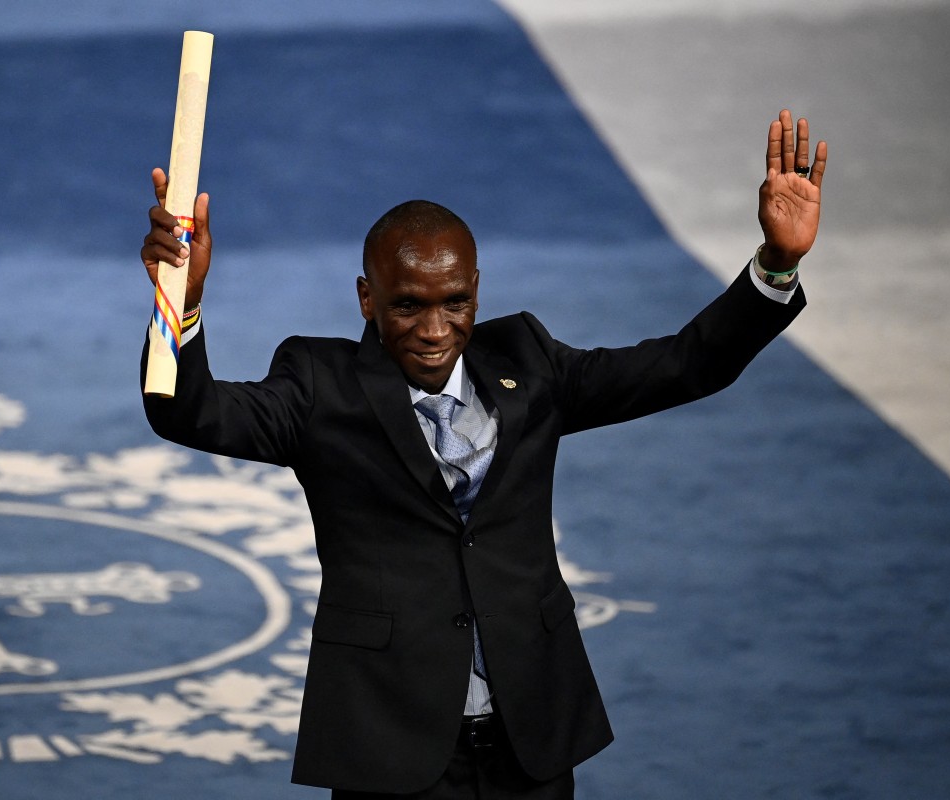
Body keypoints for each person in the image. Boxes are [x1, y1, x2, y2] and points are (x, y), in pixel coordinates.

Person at [140, 110, 827, 799]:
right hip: (392, 745)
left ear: (477, 291)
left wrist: (776, 264)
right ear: (365, 299)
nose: (435, 331)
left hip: (529, 739)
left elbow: (685, 365)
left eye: (455, 302)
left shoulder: (528, 362)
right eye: (407, 306)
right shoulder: (321, 387)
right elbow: (189, 412)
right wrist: (183, 304)